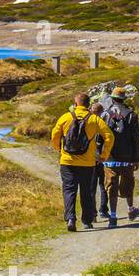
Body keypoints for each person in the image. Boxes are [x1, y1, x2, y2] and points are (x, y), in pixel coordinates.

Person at [50, 93, 115, 232]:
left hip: (67, 161)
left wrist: (60, 150)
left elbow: (55, 135)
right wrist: (103, 155)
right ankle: (87, 220)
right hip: (87, 163)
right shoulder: (94, 119)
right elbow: (109, 136)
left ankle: (71, 218)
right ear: (88, 104)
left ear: (75, 104)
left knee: (69, 189)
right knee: (87, 191)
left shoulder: (65, 117)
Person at [100, 86, 139, 226]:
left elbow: (100, 137)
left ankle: (113, 216)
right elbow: (135, 139)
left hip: (110, 158)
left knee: (112, 186)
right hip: (127, 158)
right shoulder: (131, 115)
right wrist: (136, 158)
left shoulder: (105, 114)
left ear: (112, 98)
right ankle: (131, 209)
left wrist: (101, 155)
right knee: (128, 184)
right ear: (124, 99)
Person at [90, 102, 111, 223]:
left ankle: (92, 214)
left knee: (91, 187)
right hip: (103, 159)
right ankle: (104, 210)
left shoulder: (89, 123)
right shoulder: (104, 124)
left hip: (92, 159)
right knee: (103, 185)